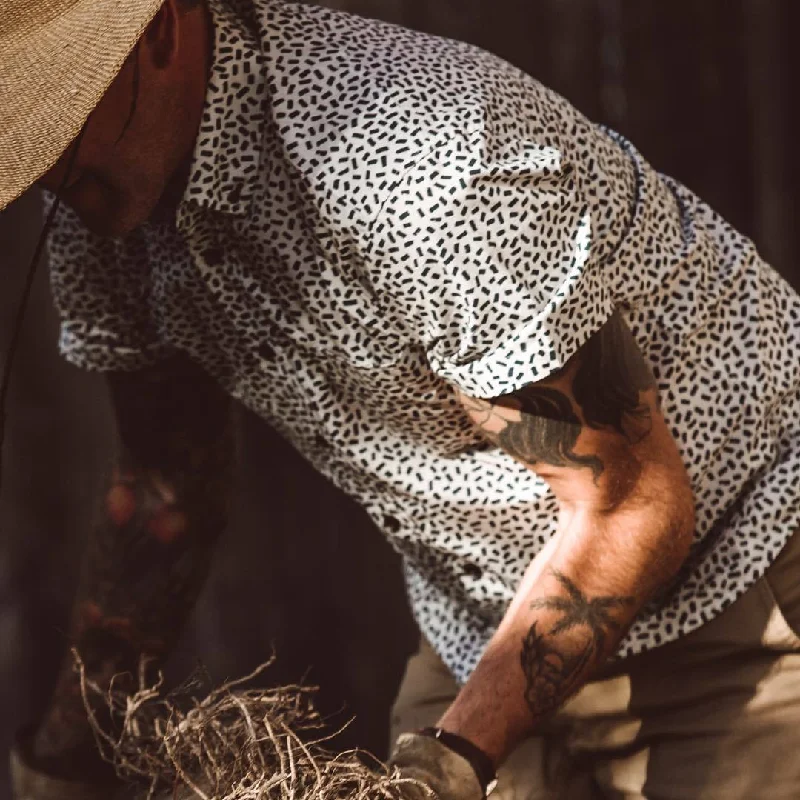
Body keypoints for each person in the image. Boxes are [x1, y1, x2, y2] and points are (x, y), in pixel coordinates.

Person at [1, 0, 799, 797]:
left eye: (56, 113)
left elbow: (632, 509)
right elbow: (164, 486)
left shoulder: (423, 158)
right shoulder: (97, 206)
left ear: (162, 28)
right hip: (484, 629)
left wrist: (447, 765)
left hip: (738, 589)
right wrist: (62, 759)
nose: (44, 164)